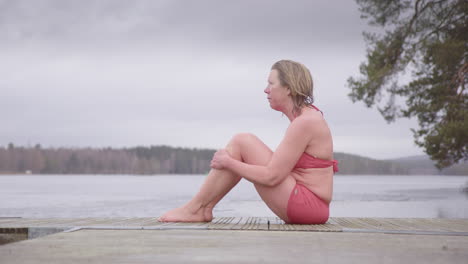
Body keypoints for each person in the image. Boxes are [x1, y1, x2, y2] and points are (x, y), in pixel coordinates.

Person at [158, 60, 338, 224]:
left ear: (288, 88)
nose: (266, 90)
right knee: (241, 142)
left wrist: (229, 162)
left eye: (271, 83)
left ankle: (195, 209)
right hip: (309, 205)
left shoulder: (305, 122)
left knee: (241, 142)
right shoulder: (306, 118)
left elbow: (271, 176)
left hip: (308, 206)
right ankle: (201, 208)